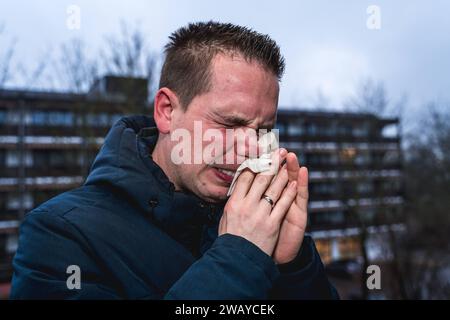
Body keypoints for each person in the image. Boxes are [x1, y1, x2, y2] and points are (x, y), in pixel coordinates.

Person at [10, 21, 339, 299]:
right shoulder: (60, 233)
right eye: (229, 123)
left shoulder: (258, 224)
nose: (253, 148)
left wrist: (294, 267)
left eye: (264, 129)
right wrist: (237, 258)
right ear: (167, 111)